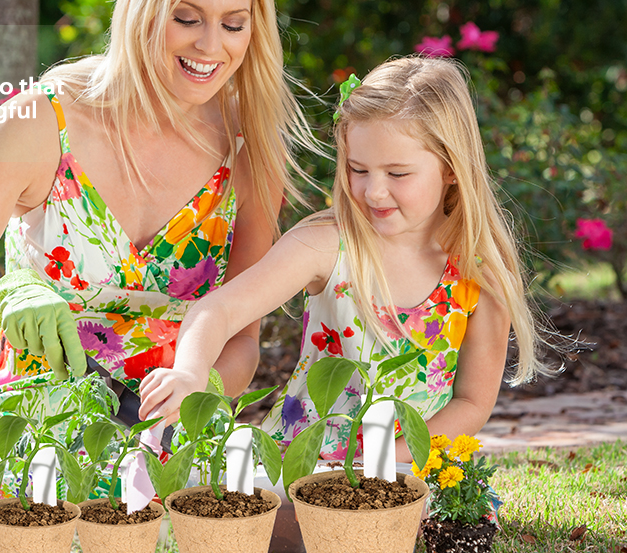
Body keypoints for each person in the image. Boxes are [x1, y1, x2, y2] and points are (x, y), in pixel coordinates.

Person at [0, 0, 319, 553]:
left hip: (165, 421)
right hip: (28, 411)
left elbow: (240, 345)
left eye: (233, 24)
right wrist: (5, 298)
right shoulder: (40, 124)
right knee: (13, 510)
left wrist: (191, 396)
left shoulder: (250, 148)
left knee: (221, 517)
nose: (211, 46)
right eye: (187, 18)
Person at [139, 56, 550, 463]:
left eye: (398, 174)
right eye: (358, 169)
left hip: (406, 471)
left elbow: (471, 401)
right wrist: (191, 372)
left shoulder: (480, 271)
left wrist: (387, 461)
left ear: (450, 168)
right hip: (299, 468)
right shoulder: (328, 244)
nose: (373, 192)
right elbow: (219, 310)